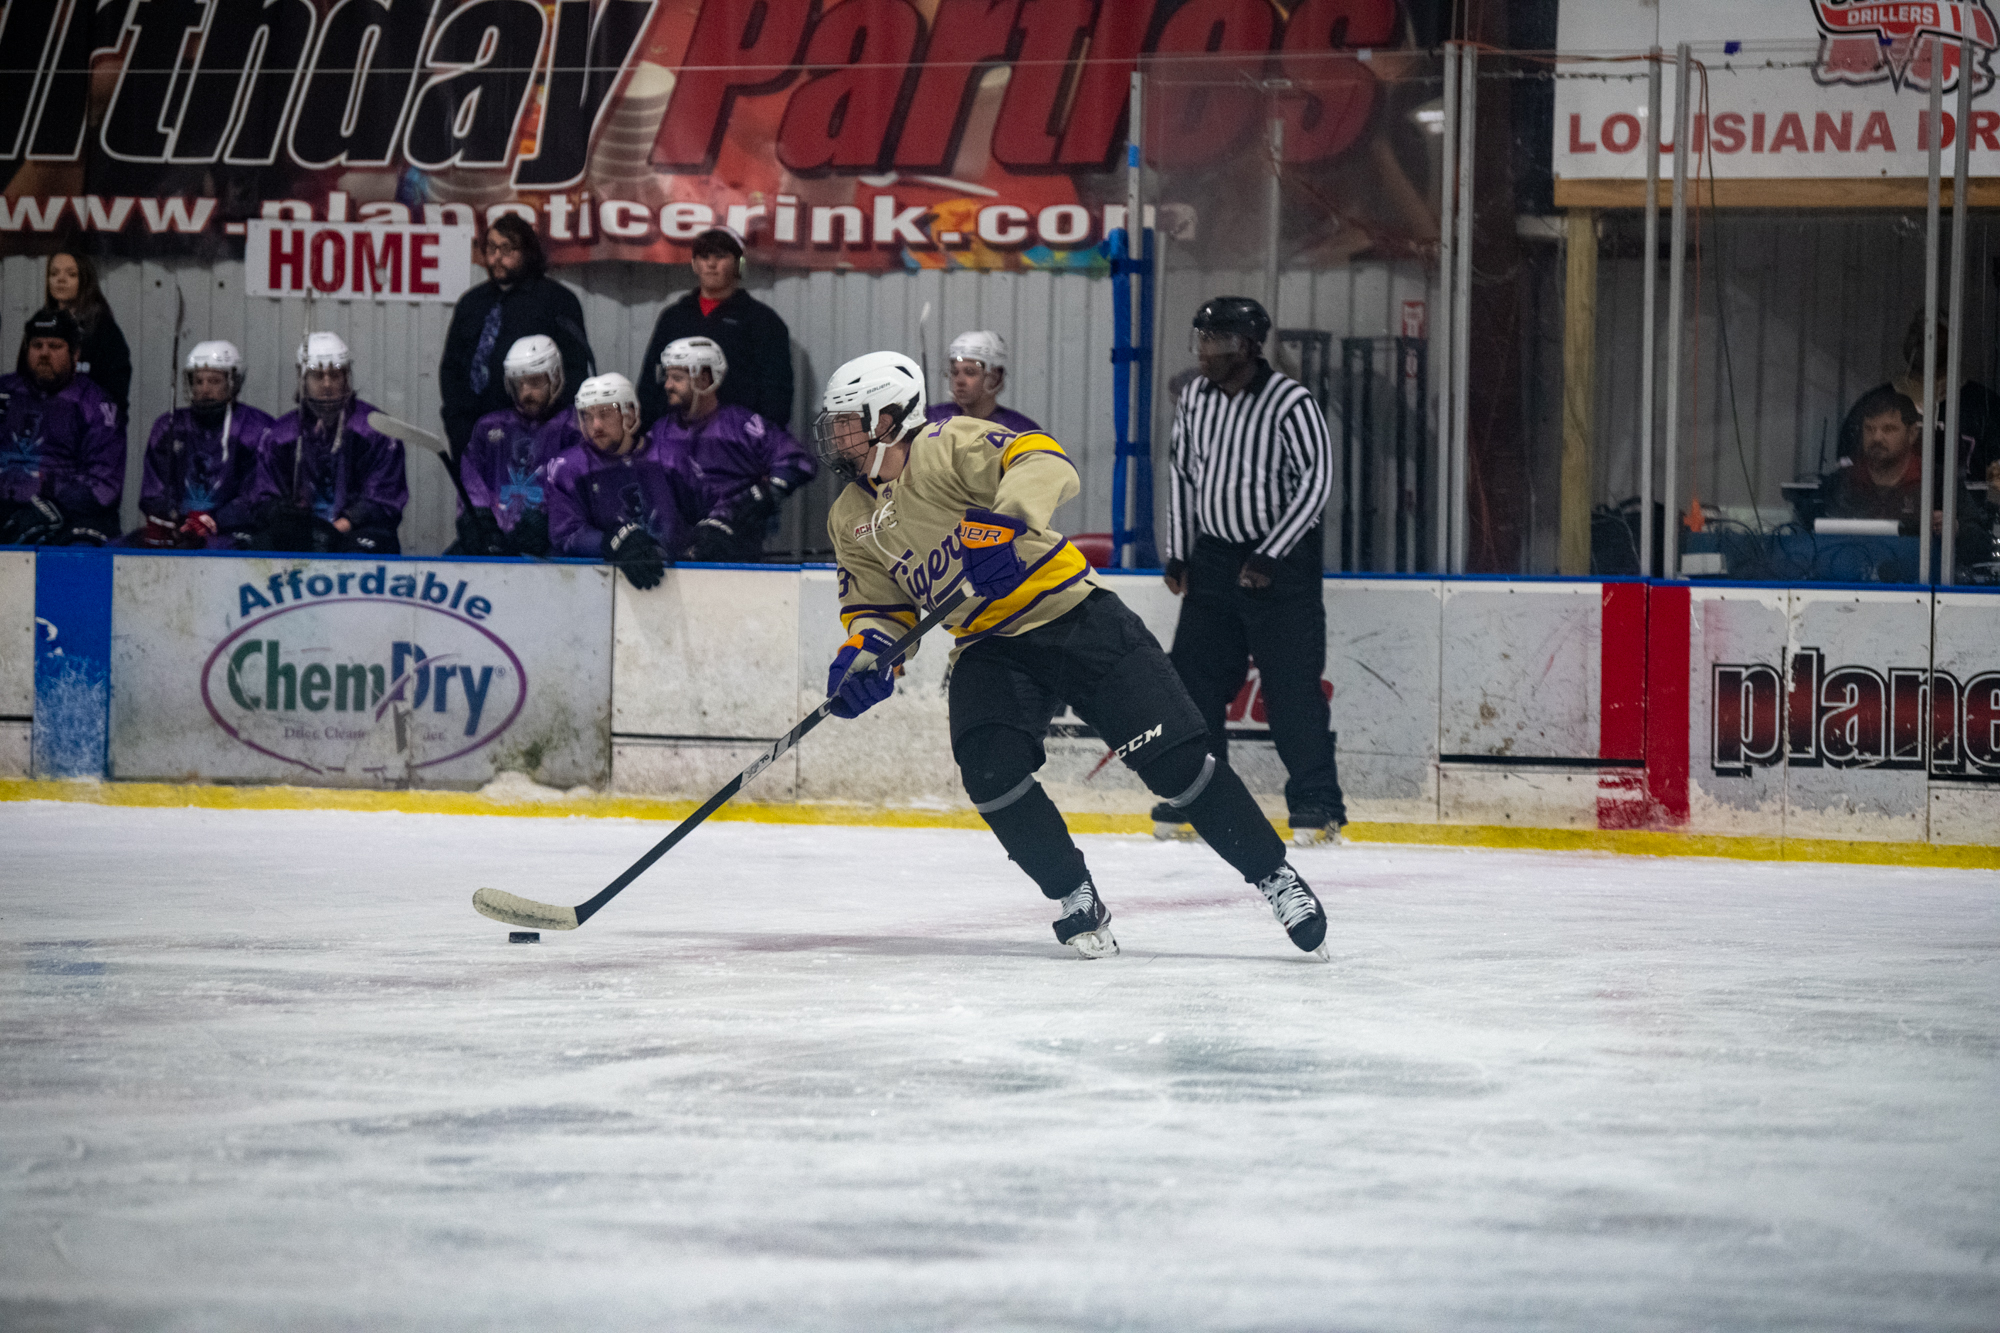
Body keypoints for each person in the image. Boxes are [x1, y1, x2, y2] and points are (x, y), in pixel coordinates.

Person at [814, 349, 1329, 959]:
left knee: (1178, 767)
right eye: (836, 421)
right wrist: (869, 652)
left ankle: (1275, 877)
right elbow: (879, 605)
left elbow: (1043, 459)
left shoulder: (948, 443)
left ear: (892, 415)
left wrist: (1003, 521)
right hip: (988, 642)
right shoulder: (850, 515)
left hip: (1073, 615)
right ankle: (1074, 894)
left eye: (848, 419)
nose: (837, 434)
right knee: (989, 768)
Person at [1156, 296, 1346, 847]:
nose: (1207, 353)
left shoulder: (1291, 402)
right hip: (1213, 560)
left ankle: (1317, 804)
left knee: (1291, 691)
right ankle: (1198, 797)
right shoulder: (1194, 396)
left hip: (1280, 566)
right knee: (1193, 686)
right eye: (1203, 341)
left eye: (1220, 343)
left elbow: (1316, 481)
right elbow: (1181, 473)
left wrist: (1271, 553)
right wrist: (1178, 550)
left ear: (1251, 346)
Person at [439, 213, 594, 458]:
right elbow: (451, 368)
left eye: (507, 249)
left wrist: (551, 428)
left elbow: (574, 371)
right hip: (473, 434)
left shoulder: (556, 301)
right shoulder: (472, 303)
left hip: (534, 436)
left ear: (527, 252)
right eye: (491, 248)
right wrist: (456, 424)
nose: (497, 257)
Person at [649, 336, 816, 563]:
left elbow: (798, 461)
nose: (667, 385)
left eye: (677, 378)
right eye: (667, 377)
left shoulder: (741, 425)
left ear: (705, 379)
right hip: (675, 562)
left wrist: (764, 494)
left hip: (738, 559)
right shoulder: (659, 433)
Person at [249, 333, 407, 554]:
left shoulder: (376, 430)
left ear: (346, 377)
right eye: (317, 375)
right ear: (302, 378)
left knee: (364, 550)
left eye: (334, 375)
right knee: (261, 546)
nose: (327, 384)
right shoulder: (279, 435)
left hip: (358, 532)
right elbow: (264, 495)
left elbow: (384, 498)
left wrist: (338, 527)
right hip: (300, 533)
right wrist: (280, 514)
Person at [545, 372, 700, 589]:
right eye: (587, 416)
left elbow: (704, 511)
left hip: (678, 582)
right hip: (596, 586)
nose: (595, 425)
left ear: (629, 413)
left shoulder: (670, 457)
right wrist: (612, 541)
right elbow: (566, 534)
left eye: (605, 413)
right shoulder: (568, 468)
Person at [637, 227, 794, 431]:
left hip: (736, 442)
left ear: (738, 264)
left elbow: (777, 393)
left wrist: (758, 439)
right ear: (694, 264)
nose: (711, 264)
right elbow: (651, 382)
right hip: (675, 438)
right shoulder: (673, 317)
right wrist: (650, 432)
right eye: (704, 257)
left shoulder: (762, 321)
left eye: (721, 256)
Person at [125, 341, 270, 549]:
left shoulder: (256, 428)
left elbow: (257, 496)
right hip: (178, 530)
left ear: (233, 382)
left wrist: (215, 520)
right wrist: (176, 520)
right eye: (198, 381)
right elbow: (154, 490)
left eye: (214, 381)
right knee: (123, 547)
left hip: (232, 533)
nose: (204, 389)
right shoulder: (169, 426)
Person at [1837, 313, 2000, 496]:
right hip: (1887, 517)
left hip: (1964, 519)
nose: (1922, 338)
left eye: (1934, 331)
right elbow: (1846, 472)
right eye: (1915, 331)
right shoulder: (1873, 403)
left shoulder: (1985, 406)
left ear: (1953, 340)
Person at [0, 309, 124, 545]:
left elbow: (104, 486)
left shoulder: (96, 404)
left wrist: (49, 497)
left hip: (67, 516)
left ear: (75, 354)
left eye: (55, 346)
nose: (44, 353)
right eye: (37, 345)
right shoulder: (5, 392)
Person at [452, 335, 580, 557]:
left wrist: (550, 519)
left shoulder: (575, 429)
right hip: (495, 546)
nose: (525, 394)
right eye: (517, 384)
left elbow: (579, 490)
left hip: (554, 550)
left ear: (556, 377)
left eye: (534, 382)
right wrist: (479, 523)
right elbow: (472, 484)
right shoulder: (489, 427)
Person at [16, 250, 132, 430]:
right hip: (42, 427)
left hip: (87, 428)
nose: (60, 279)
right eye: (54, 274)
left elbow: (114, 396)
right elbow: (23, 378)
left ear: (85, 280)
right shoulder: (40, 322)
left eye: (71, 274)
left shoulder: (104, 330)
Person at [923, 331, 1041, 433]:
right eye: (954, 372)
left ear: (995, 378)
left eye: (970, 372)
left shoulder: (1021, 431)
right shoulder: (930, 420)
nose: (959, 381)